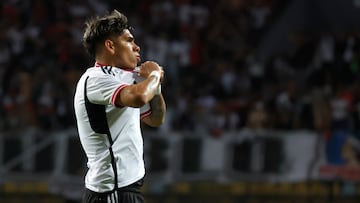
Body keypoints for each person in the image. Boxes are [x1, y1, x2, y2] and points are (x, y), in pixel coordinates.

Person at [74, 9, 166, 203]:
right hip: (111, 191)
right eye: (129, 40)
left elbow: (156, 118)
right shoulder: (95, 79)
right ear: (110, 45)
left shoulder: (125, 79)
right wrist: (154, 75)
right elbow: (140, 97)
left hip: (123, 189)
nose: (137, 47)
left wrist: (154, 86)